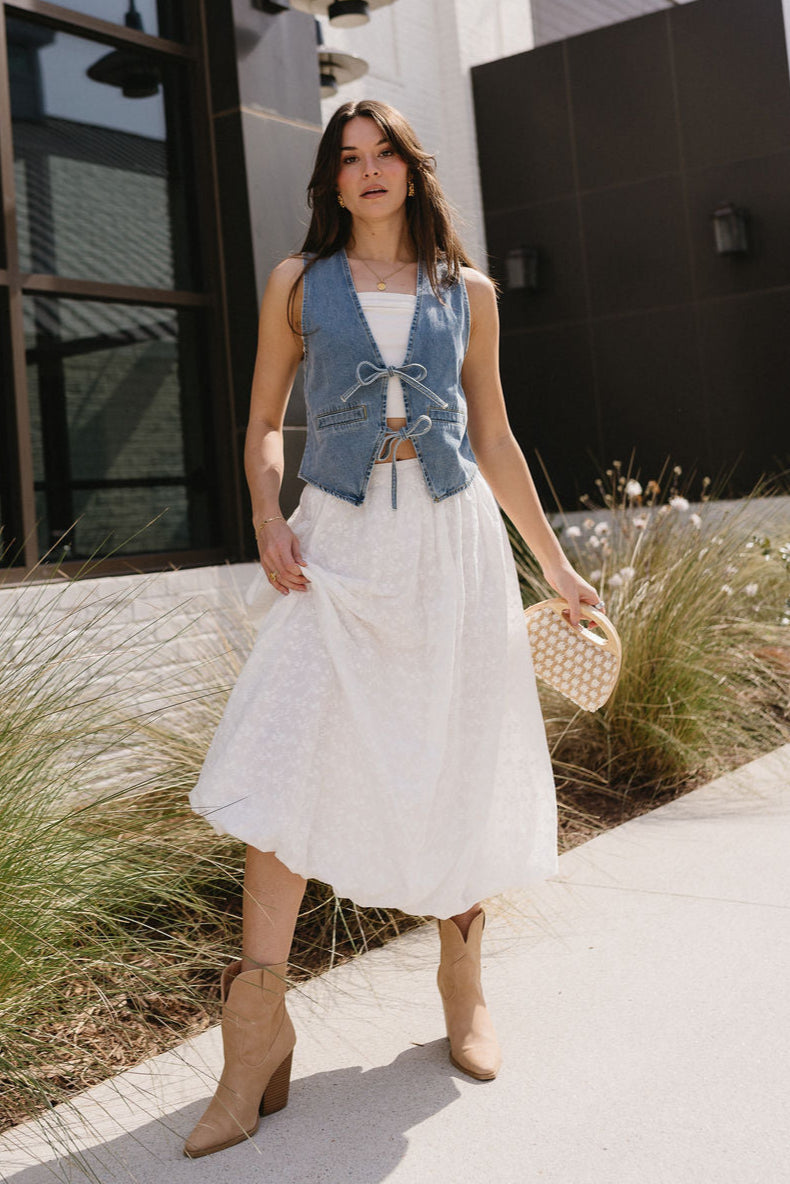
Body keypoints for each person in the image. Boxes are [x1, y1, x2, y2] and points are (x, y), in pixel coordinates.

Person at [183, 98, 601, 1160]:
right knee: (282, 763)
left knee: (453, 757)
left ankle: (463, 981)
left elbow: (494, 432)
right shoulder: (297, 282)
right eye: (348, 160)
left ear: (411, 173)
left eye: (384, 157)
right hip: (337, 545)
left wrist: (551, 564)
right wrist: (268, 516)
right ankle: (254, 1038)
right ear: (331, 181)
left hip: (451, 548)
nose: (367, 173)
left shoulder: (469, 293)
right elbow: (264, 424)